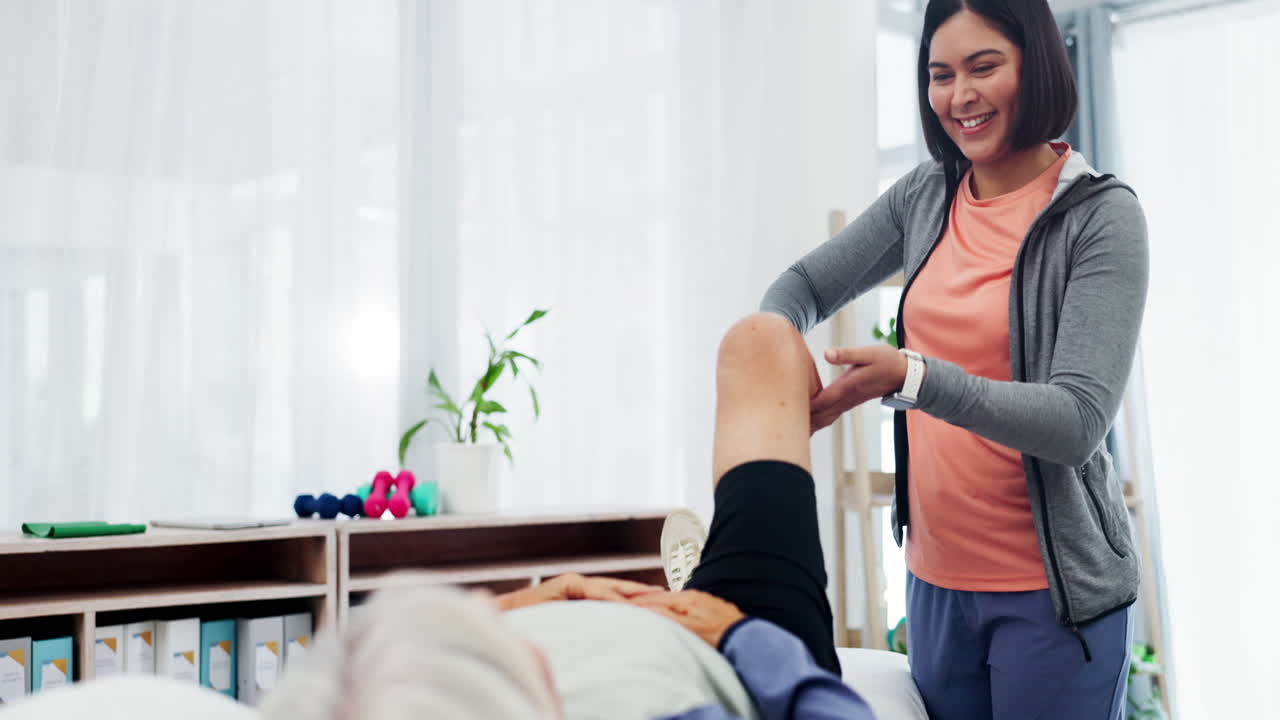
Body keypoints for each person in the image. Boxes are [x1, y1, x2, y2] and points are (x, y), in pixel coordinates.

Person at [759, 1, 1148, 718]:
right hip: (935, 586)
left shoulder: (1099, 216)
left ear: (1035, 65)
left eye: (983, 66)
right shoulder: (927, 195)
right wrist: (771, 355)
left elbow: (1076, 420)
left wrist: (914, 377)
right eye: (940, 74)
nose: (959, 95)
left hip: (1053, 599)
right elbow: (803, 287)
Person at [261, 313, 876, 720]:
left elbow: (363, 650)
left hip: (640, 622)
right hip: (724, 643)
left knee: (760, 340)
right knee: (762, 341)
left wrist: (542, 599)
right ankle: (690, 585)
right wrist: (735, 635)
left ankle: (681, 581)